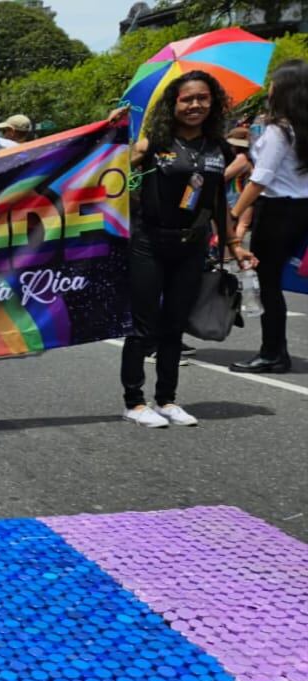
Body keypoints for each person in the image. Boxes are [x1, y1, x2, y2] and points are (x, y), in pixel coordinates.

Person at [119, 71, 255, 428]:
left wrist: (234, 244)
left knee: (175, 325)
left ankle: (166, 399)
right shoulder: (152, 143)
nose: (195, 105)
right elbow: (106, 175)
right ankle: (134, 402)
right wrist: (110, 138)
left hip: (192, 247)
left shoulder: (218, 149)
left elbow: (215, 201)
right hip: (148, 242)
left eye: (203, 98)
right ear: (173, 104)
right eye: (187, 99)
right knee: (143, 327)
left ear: (213, 104)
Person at [229, 60, 308, 374]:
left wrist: (234, 215)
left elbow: (260, 179)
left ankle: (272, 353)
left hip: (277, 211)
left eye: (274, 83)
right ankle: (276, 351)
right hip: (301, 209)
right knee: (277, 282)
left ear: (286, 89)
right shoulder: (300, 129)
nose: (269, 88)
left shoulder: (280, 130)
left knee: (269, 284)